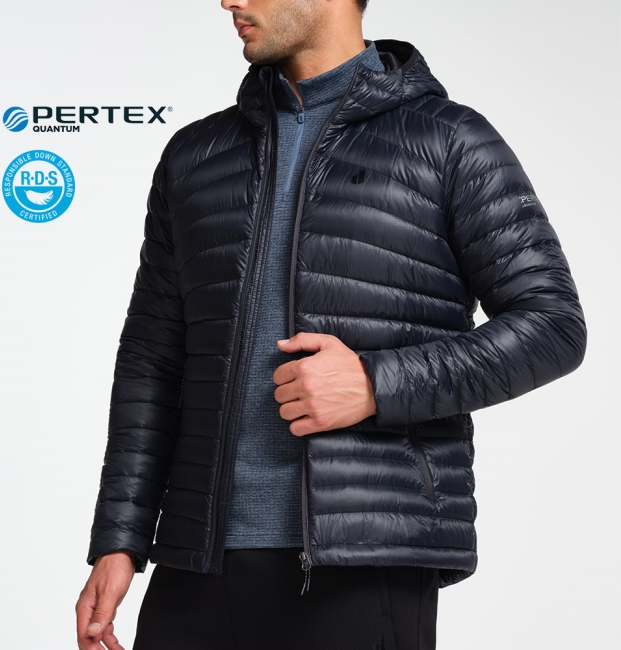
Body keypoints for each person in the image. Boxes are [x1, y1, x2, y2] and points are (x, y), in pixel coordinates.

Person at [75, 0, 587, 648]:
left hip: (362, 563)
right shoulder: (195, 155)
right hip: (194, 562)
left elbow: (553, 324)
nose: (227, 0)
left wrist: (376, 384)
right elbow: (152, 358)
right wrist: (120, 539)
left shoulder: (449, 140)